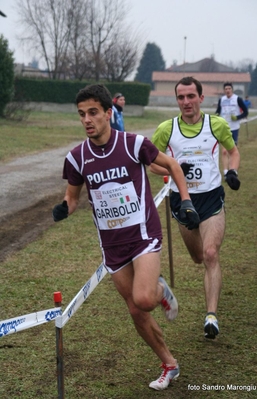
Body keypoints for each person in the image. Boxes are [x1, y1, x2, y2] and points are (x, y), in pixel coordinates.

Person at [52, 84, 200, 390]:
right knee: (135, 310)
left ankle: (159, 288)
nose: (87, 120)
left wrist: (185, 201)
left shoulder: (133, 144)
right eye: (81, 114)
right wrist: (63, 208)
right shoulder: (78, 157)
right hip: (112, 245)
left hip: (143, 234)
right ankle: (169, 364)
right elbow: (73, 197)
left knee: (143, 298)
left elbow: (171, 165)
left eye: (93, 112)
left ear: (109, 113)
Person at [150, 76, 241, 340]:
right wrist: (172, 168)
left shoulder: (217, 124)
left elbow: (233, 151)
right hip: (182, 200)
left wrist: (232, 171)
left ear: (201, 98)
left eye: (191, 96)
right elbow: (150, 163)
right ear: (176, 100)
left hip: (211, 197)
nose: (186, 102)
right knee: (198, 257)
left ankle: (211, 316)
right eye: (181, 97)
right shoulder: (167, 129)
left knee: (211, 254)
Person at [215, 82, 247, 177]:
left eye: (229, 89)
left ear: (232, 90)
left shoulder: (238, 99)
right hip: (223, 128)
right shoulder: (222, 100)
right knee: (224, 151)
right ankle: (225, 172)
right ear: (224, 90)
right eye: (226, 89)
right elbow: (218, 112)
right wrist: (216, 116)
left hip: (234, 128)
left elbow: (245, 112)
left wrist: (237, 117)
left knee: (232, 151)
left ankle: (232, 170)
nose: (227, 90)